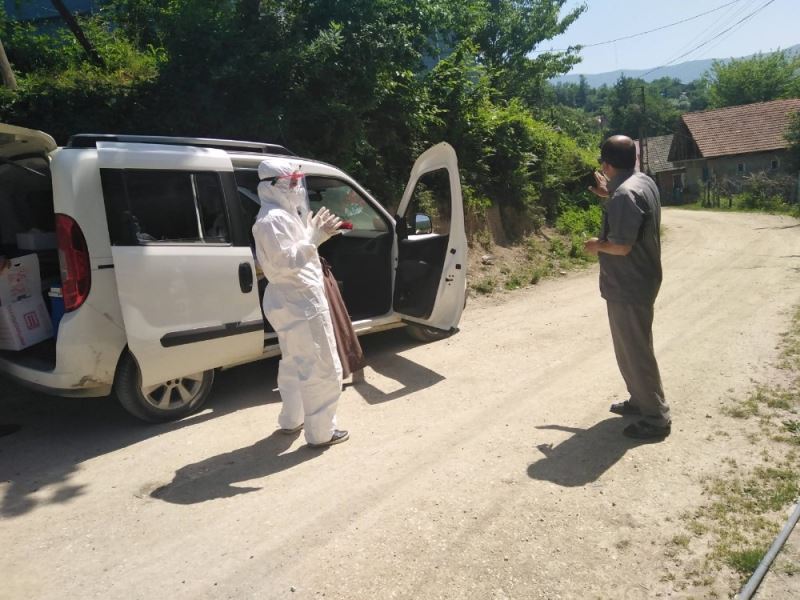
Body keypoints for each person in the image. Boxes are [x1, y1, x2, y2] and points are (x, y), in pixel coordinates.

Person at [252, 159, 349, 448]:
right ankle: (321, 432)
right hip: (299, 301)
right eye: (291, 182)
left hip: (292, 300)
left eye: (297, 181)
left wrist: (312, 232)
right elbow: (285, 263)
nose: (297, 188)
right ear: (273, 185)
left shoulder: (282, 215)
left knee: (295, 363)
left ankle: (292, 419)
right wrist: (314, 239)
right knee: (321, 366)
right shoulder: (271, 220)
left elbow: (292, 252)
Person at [584, 135, 671, 440]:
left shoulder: (623, 194)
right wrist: (608, 193)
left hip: (628, 283)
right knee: (630, 347)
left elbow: (621, 246)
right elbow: (633, 211)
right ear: (633, 158)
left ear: (606, 165)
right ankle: (640, 400)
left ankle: (656, 418)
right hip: (641, 278)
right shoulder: (643, 181)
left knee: (635, 351)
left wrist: (596, 245)